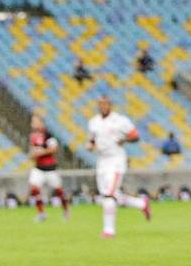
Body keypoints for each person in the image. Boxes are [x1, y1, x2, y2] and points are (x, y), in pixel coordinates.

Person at [86, 93, 151, 238]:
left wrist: (124, 140)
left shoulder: (120, 120)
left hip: (116, 160)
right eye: (100, 103)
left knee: (109, 195)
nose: (103, 106)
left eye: (105, 103)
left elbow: (135, 135)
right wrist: (90, 145)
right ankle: (141, 203)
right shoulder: (93, 122)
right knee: (109, 195)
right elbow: (92, 138)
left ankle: (109, 230)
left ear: (110, 105)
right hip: (102, 161)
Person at [28, 113, 70, 222]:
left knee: (59, 190)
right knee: (34, 188)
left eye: (35, 121)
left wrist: (42, 152)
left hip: (50, 168)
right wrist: (33, 155)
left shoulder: (48, 135)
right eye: (33, 122)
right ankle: (41, 213)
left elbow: (54, 148)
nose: (33, 124)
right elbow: (32, 151)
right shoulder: (33, 136)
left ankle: (66, 210)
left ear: (41, 123)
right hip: (38, 168)